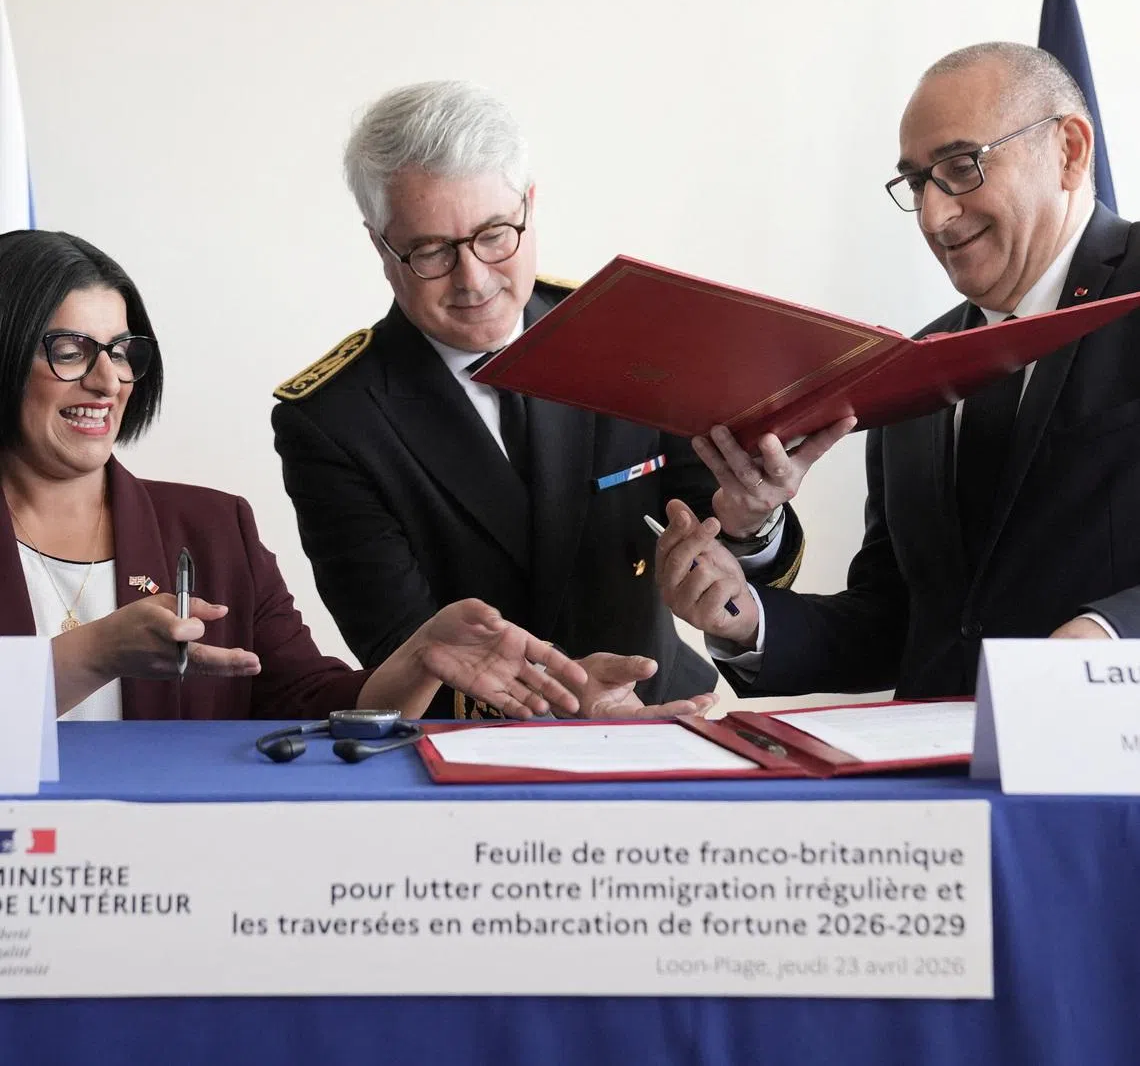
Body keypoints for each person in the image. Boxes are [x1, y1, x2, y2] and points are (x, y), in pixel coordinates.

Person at [270, 81, 842, 720]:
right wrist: (558, 708)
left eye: (494, 235)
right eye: (431, 251)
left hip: (659, 718)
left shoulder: (627, 336)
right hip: (470, 752)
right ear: (381, 246)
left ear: (530, 205)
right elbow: (396, 650)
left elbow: (716, 540)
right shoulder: (332, 419)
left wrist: (746, 521)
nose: (474, 279)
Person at [0, 229, 694, 722]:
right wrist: (91, 656)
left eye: (123, 351)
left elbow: (304, 700)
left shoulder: (211, 529)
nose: (106, 379)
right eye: (68, 350)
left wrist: (418, 664)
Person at [655, 41, 1140, 700]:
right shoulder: (914, 366)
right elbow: (898, 622)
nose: (935, 216)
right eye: (917, 182)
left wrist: (1108, 634)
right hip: (941, 792)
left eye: (963, 166)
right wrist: (743, 616)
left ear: (1071, 150)